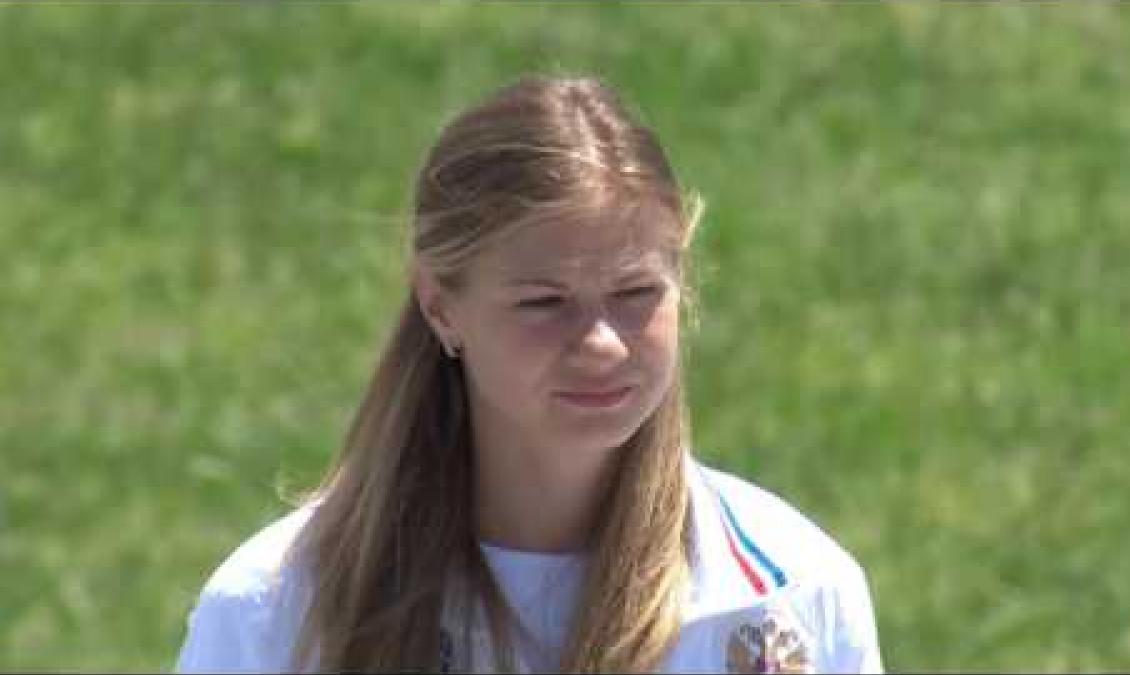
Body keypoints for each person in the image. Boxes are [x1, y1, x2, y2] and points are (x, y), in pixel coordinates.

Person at [175, 74, 883, 674]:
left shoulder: (791, 592)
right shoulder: (278, 607)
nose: (602, 343)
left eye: (637, 294)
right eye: (545, 303)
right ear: (440, 306)